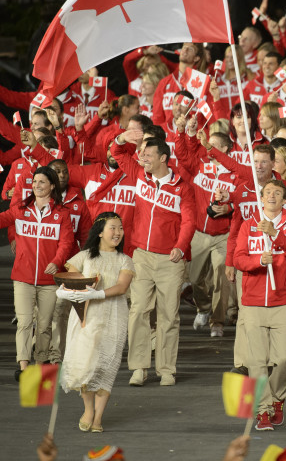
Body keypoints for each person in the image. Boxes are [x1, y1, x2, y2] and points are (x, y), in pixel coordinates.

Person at [112, 129, 196, 387]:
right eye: (142, 154)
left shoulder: (182, 187)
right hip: (141, 256)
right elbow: (116, 152)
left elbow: (189, 221)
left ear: (163, 158)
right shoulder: (139, 174)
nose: (143, 158)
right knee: (138, 311)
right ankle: (139, 368)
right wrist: (121, 137)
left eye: (148, 154)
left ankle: (166, 369)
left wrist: (180, 247)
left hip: (170, 260)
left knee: (168, 315)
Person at [0, 166, 75, 380]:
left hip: (49, 280)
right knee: (24, 323)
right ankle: (23, 367)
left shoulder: (62, 213)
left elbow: (66, 243)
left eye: (42, 182)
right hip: (22, 277)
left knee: (44, 326)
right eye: (34, 182)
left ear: (52, 185)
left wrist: (56, 261)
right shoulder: (20, 209)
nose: (37, 185)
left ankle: (40, 364)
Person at [232, 179, 286, 431]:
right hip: (252, 302)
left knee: (283, 359)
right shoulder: (248, 225)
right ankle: (263, 410)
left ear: (284, 200)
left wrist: (275, 234)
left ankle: (277, 397)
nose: (272, 195)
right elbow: (239, 259)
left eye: (277, 193)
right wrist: (258, 262)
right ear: (261, 198)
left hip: (283, 300)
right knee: (257, 361)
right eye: (268, 192)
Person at [57, 212, 135, 433]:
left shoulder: (125, 260)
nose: (118, 232)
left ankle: (98, 416)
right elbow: (70, 282)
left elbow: (121, 287)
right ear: (100, 232)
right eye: (113, 228)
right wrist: (66, 292)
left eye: (120, 228)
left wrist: (97, 294)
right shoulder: (84, 257)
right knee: (86, 364)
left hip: (114, 315)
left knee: (106, 366)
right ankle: (88, 410)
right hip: (86, 316)